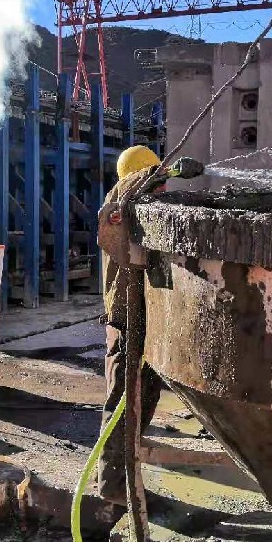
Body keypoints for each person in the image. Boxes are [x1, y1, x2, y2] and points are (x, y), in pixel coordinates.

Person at [98, 145, 166, 506]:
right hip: (127, 324)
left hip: (142, 321)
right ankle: (112, 489)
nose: (161, 187)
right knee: (122, 406)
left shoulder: (135, 210)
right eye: (153, 178)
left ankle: (125, 480)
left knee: (139, 404)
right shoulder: (121, 211)